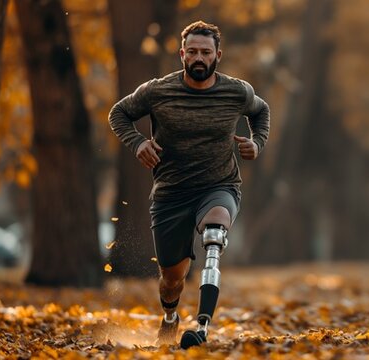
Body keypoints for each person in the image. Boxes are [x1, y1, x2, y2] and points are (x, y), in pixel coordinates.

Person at [108, 20, 269, 348]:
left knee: (214, 236)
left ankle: (202, 326)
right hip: (171, 193)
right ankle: (170, 316)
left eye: (205, 52)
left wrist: (257, 142)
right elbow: (118, 113)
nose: (199, 58)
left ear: (217, 55)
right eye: (192, 51)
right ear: (182, 54)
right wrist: (138, 143)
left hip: (219, 185)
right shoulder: (158, 91)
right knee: (172, 280)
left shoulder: (237, 91)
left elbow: (261, 110)